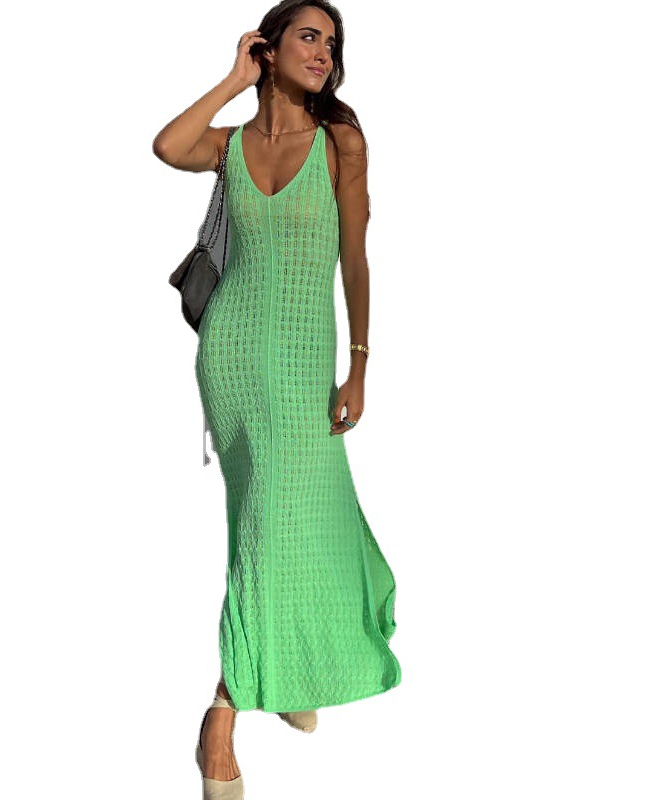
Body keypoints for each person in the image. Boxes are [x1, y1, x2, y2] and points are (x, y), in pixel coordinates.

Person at [153, 2, 401, 796]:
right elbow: (168, 146)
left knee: (292, 517)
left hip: (303, 362)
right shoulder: (230, 147)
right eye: (308, 36)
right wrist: (234, 78)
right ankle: (222, 714)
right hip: (231, 355)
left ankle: (282, 673)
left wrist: (359, 363)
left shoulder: (340, 142)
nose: (324, 53)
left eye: (332, 43)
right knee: (264, 521)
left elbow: (355, 258)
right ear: (270, 47)